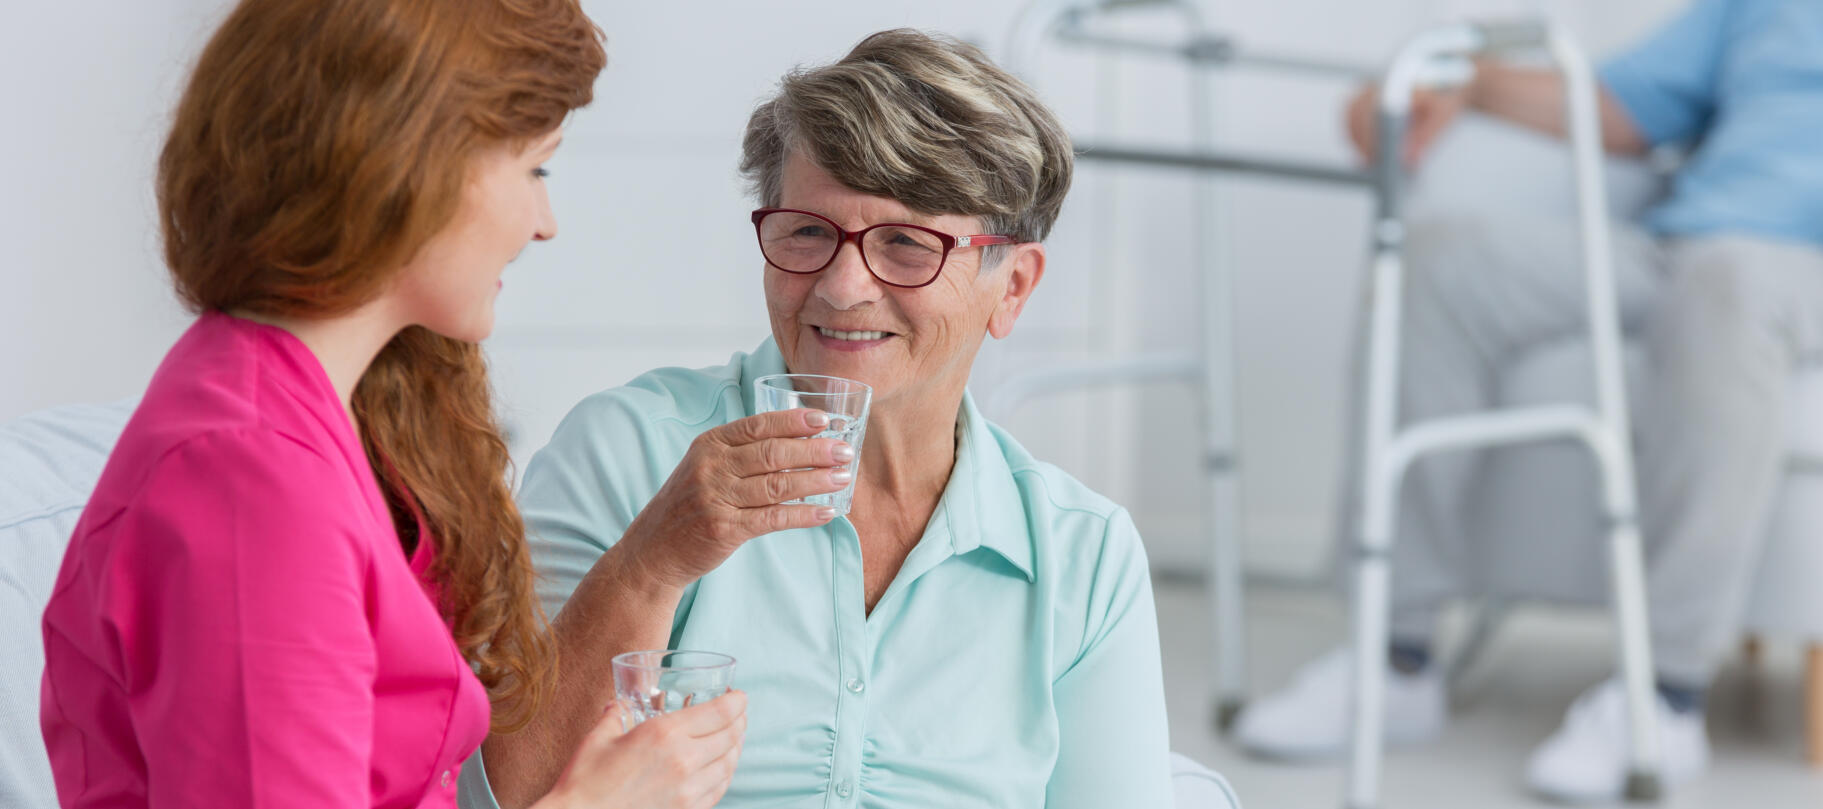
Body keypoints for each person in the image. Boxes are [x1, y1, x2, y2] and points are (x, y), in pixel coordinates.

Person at [1231, 0, 1823, 801]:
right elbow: (1617, 108)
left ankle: (1663, 693)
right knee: (1443, 263)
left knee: (1726, 282)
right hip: (1679, 245)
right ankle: (1396, 655)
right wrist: (1462, 82)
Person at [38, 1, 745, 807]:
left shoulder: (312, 425)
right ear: (414, 165)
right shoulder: (249, 480)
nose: (544, 224)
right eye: (534, 171)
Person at [471, 28, 1173, 809]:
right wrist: (652, 559)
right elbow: (498, 794)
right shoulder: (626, 451)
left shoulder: (1083, 559)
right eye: (808, 232)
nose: (841, 288)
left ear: (1011, 287)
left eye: (907, 245)